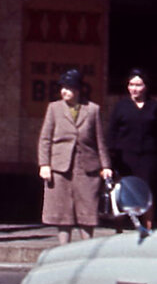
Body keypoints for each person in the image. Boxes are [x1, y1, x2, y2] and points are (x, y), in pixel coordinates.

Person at [38, 67, 111, 244]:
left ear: (78, 90)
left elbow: (99, 140)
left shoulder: (92, 110)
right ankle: (64, 250)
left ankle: (86, 249)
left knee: (87, 211)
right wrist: (44, 164)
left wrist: (106, 166)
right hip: (60, 167)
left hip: (86, 168)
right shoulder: (54, 108)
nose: (64, 91)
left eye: (69, 88)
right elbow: (45, 138)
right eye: (62, 87)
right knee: (63, 213)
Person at [106, 68, 157, 194]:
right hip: (125, 159)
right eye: (131, 85)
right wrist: (110, 158)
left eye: (138, 85)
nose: (134, 88)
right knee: (127, 194)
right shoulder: (121, 106)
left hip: (148, 159)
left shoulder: (153, 106)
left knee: (146, 193)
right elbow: (112, 133)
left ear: (146, 86)